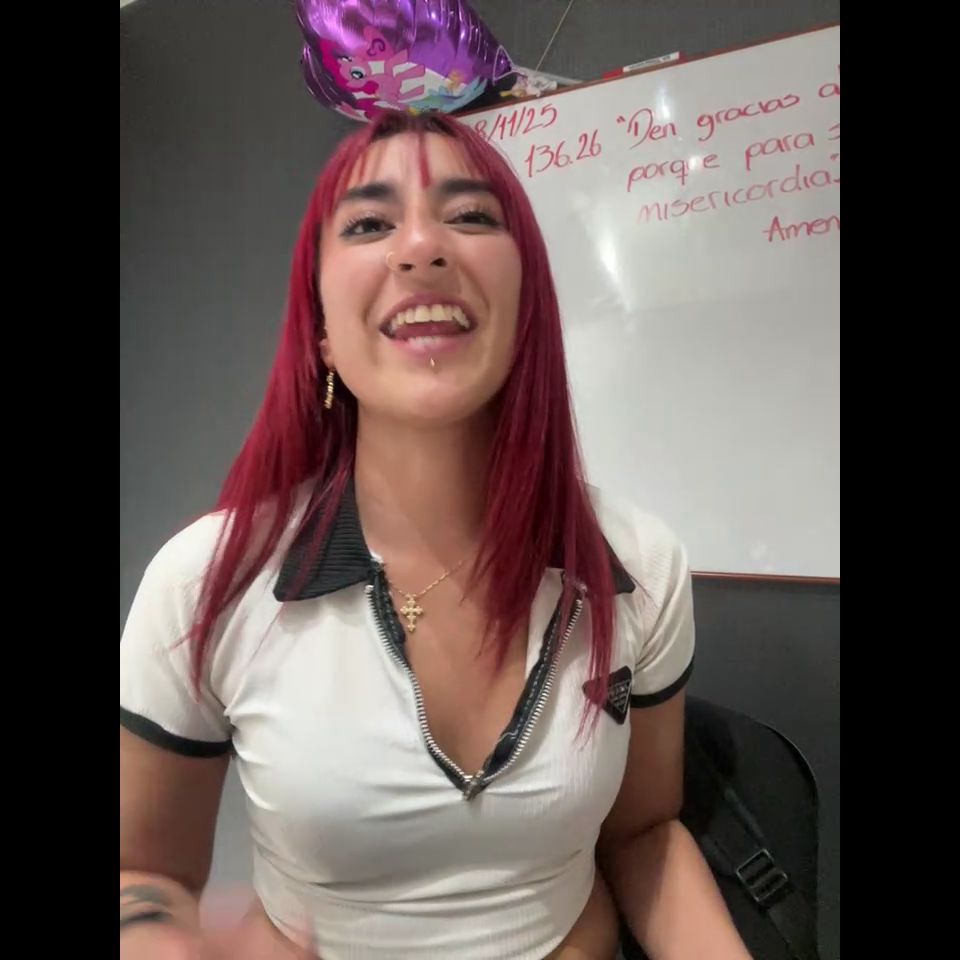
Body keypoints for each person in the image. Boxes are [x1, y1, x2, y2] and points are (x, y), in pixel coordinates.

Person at [120, 109, 751, 960]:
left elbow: (644, 833)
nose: (420, 247)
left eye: (470, 215)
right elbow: (142, 871)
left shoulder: (641, 565)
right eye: (369, 224)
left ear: (527, 306)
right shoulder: (207, 582)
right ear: (321, 331)